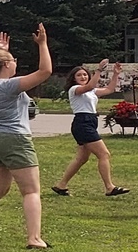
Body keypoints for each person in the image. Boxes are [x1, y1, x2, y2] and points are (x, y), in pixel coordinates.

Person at [0, 27, 55, 249]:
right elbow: (45, 71)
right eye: (13, 60)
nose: (15, 62)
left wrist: (2, 51)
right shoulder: (9, 86)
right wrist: (42, 43)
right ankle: (34, 238)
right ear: (7, 65)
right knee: (31, 190)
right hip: (14, 138)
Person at [53, 61, 130, 198]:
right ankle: (109, 187)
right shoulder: (74, 90)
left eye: (84, 74)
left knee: (82, 158)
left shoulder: (92, 91)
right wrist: (99, 70)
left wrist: (115, 74)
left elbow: (109, 90)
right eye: (79, 75)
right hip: (82, 123)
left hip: (90, 122)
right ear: (74, 78)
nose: (83, 77)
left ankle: (61, 185)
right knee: (104, 154)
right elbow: (90, 86)